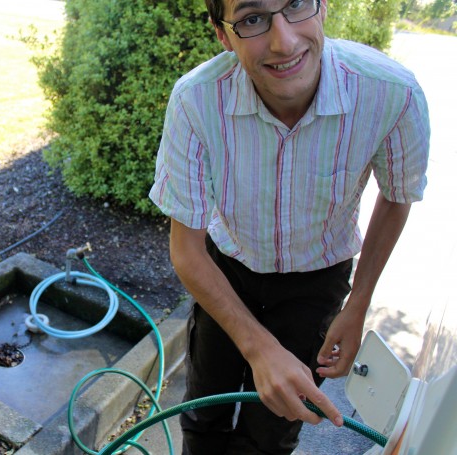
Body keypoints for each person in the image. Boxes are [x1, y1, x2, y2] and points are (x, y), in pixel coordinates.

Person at [148, 0, 431, 452]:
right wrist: (258, 347)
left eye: (296, 4)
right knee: (203, 414)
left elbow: (397, 196)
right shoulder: (196, 101)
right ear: (223, 35)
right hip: (226, 270)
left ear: (322, 7)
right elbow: (187, 250)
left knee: (276, 428)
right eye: (252, 19)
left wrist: (358, 303)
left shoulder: (392, 93)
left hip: (318, 280)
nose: (285, 42)